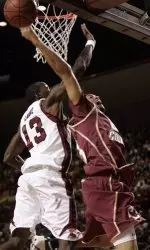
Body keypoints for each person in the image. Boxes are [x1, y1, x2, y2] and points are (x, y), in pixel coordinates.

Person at [19, 24, 145, 250]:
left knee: (95, 243)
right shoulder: (83, 112)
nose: (95, 96)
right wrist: (88, 43)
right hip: (104, 184)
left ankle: (45, 246)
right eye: (89, 95)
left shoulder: (103, 120)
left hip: (111, 184)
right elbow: (70, 71)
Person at [0, 24, 96, 250]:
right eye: (45, 87)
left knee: (17, 240)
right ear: (38, 94)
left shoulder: (24, 122)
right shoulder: (47, 103)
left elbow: (7, 157)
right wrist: (90, 43)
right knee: (68, 238)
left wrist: (31, 167)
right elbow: (77, 70)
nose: (49, 87)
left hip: (27, 179)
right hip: (49, 176)